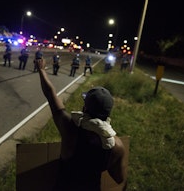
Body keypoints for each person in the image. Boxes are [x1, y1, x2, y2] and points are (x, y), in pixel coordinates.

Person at [35, 58, 127, 191]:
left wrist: (41, 70)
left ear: (85, 109)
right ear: (108, 114)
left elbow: (50, 94)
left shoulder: (70, 128)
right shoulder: (116, 146)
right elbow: (119, 178)